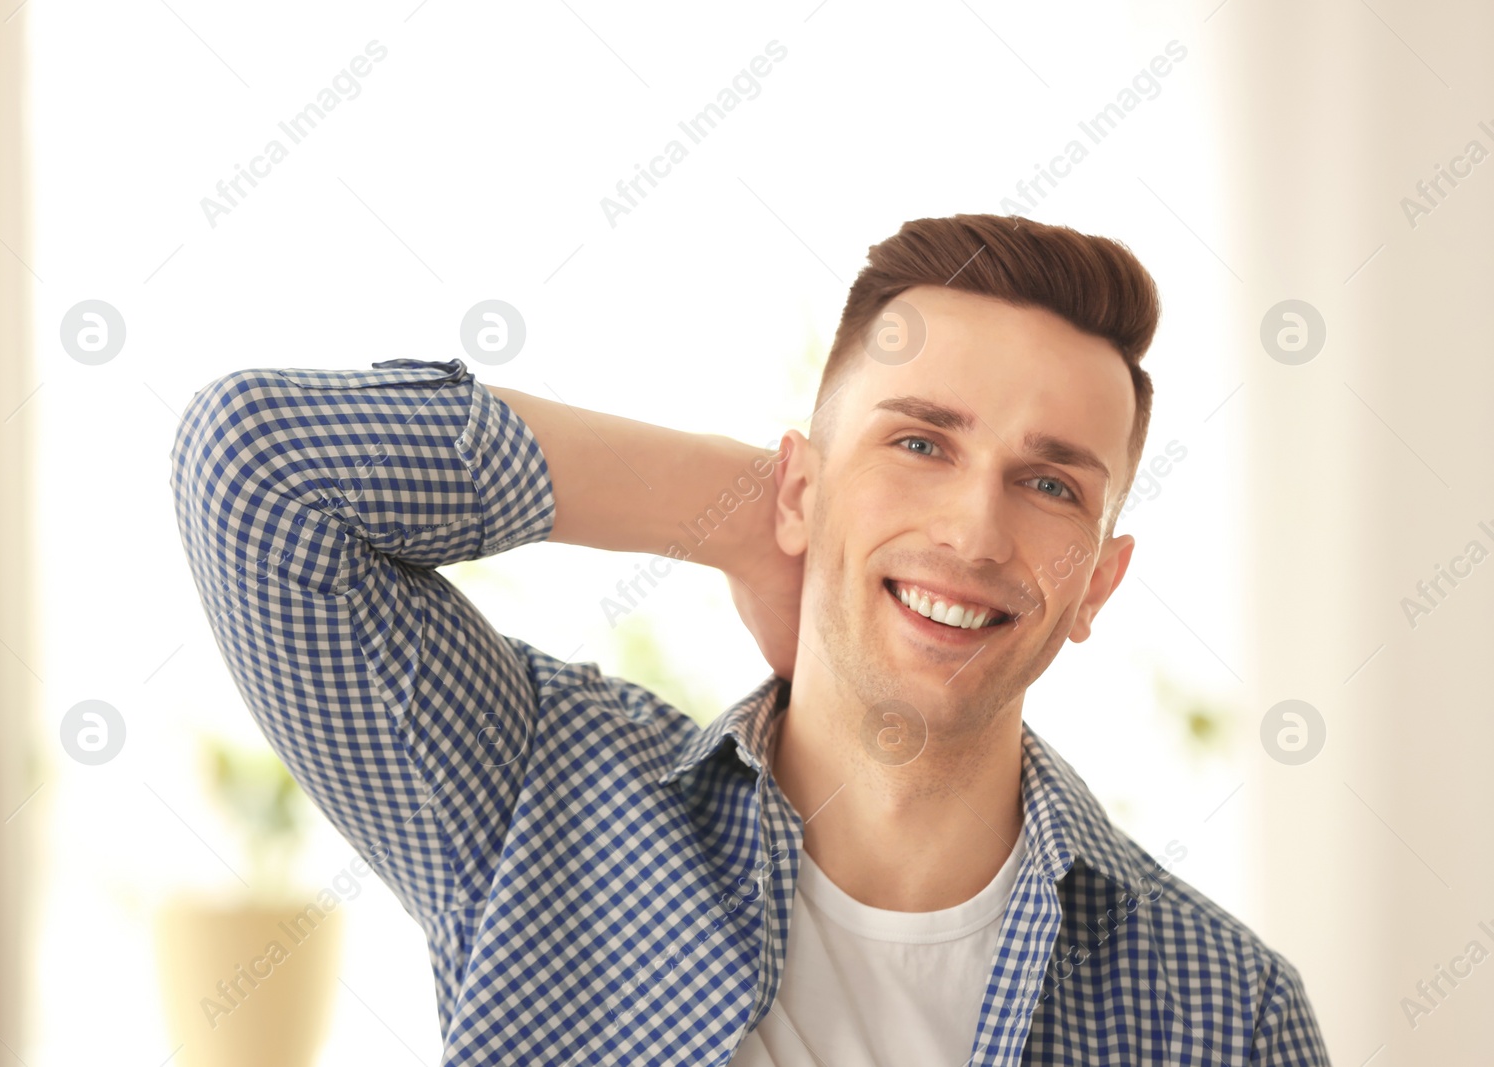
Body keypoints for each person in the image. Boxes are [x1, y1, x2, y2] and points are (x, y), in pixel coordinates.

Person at [169, 213, 1331, 1065]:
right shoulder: (547, 805)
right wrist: (740, 515)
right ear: (801, 489)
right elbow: (259, 471)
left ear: (1097, 584)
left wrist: (835, 513)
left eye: (1050, 485)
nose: (974, 529)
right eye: (919, 444)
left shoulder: (1224, 1011)